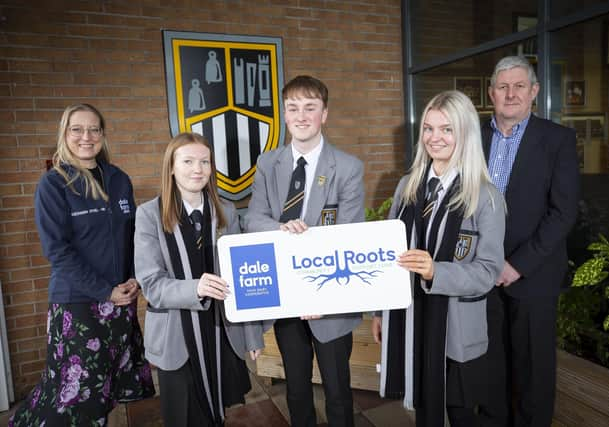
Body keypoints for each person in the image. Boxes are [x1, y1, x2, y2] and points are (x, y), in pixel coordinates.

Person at [9, 104, 155, 426]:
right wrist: (106, 291)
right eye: (77, 129)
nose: (86, 137)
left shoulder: (119, 180)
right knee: (73, 397)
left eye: (93, 129)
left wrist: (134, 278)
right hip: (79, 305)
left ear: (103, 135)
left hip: (120, 302)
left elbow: (132, 238)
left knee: (106, 390)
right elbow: (57, 252)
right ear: (65, 134)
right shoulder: (53, 184)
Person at [371, 90, 506, 427]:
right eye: (429, 129)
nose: (435, 138)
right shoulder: (407, 186)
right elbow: (390, 254)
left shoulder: (484, 196)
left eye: (447, 129)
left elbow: (488, 272)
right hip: (412, 318)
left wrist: (436, 272)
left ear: (465, 134)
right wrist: (379, 312)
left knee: (460, 413)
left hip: (456, 327)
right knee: (424, 412)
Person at [244, 75, 365, 427]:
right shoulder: (268, 163)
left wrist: (321, 295)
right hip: (287, 296)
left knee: (338, 389)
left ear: (324, 114)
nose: (301, 115)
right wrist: (279, 228)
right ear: (284, 113)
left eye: (310, 107)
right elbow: (253, 218)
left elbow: (350, 235)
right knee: (295, 388)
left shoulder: (348, 167)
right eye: (293, 108)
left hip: (330, 298)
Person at [134, 132, 264, 427]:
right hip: (176, 335)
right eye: (188, 161)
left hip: (220, 330)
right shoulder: (149, 215)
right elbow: (151, 285)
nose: (197, 169)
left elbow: (241, 276)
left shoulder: (226, 212)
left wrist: (253, 334)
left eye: (204, 161)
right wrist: (196, 288)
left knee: (218, 413)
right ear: (171, 166)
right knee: (184, 417)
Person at [478, 56, 579, 427]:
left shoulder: (557, 139)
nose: (511, 93)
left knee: (533, 373)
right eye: (503, 86)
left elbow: (563, 213)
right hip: (481, 275)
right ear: (491, 93)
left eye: (519, 86)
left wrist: (517, 264)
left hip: (533, 276)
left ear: (534, 92)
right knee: (490, 366)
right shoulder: (473, 136)